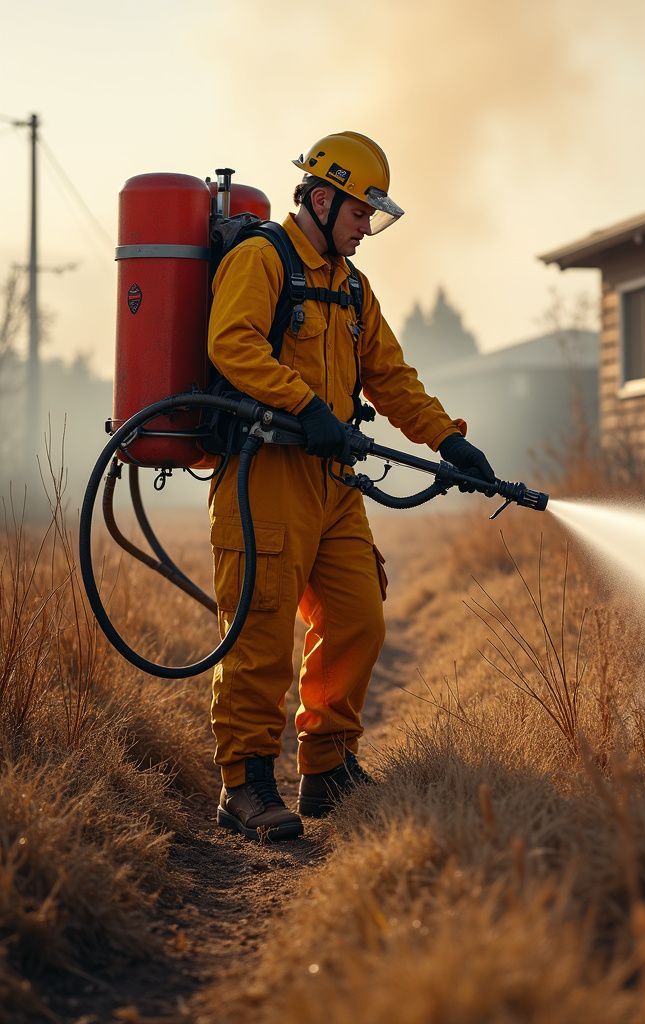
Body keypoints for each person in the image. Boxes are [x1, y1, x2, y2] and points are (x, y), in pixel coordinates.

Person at [207, 132, 494, 841]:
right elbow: (233, 342)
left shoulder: (352, 287)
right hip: (266, 476)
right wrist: (306, 406)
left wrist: (449, 439)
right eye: (362, 213)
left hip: (333, 484)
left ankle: (326, 770)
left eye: (372, 216)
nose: (368, 227)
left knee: (358, 615)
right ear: (324, 197)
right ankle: (243, 784)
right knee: (262, 629)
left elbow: (390, 378)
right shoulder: (262, 260)